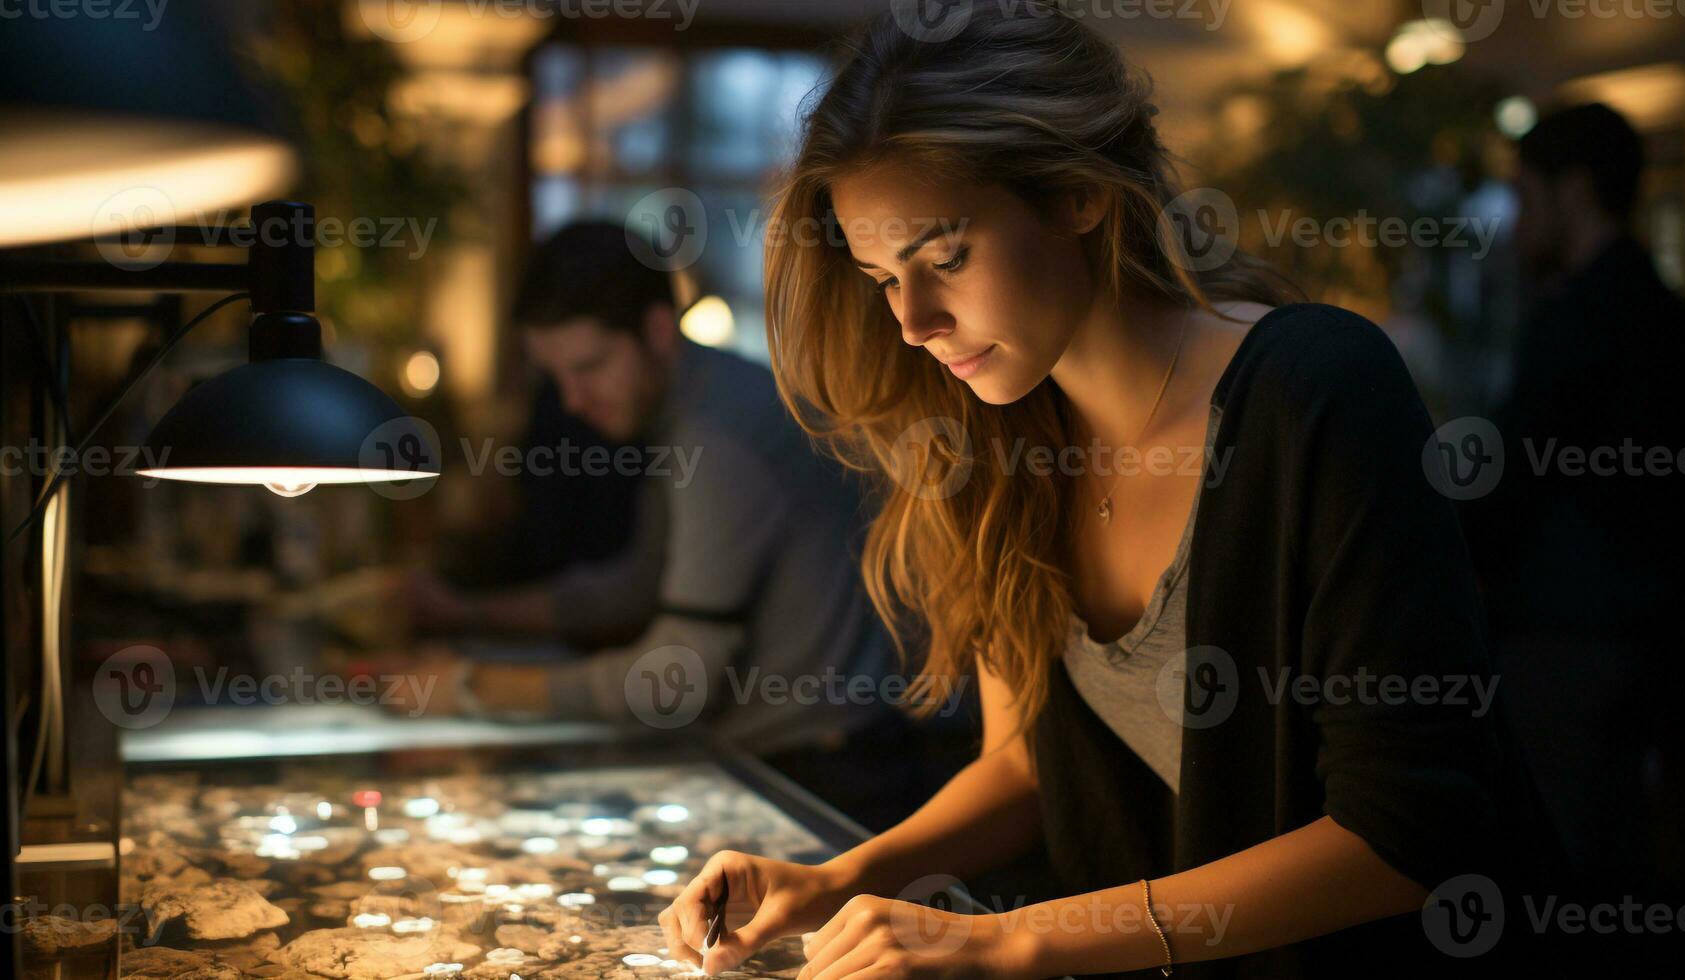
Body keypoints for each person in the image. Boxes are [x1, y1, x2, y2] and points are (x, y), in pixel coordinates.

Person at [658, 5, 1519, 979]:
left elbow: (1405, 830)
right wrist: (843, 875)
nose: (912, 320)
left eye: (943, 258)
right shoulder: (995, 447)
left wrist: (999, 938)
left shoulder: (1316, 388)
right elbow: (1025, 764)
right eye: (879, 277)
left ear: (1077, 194)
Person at [399, 222, 968, 829]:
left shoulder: (719, 440)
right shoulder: (697, 401)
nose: (572, 399)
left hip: (823, 779)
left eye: (588, 366)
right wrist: (461, 616)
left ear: (656, 331)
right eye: (556, 376)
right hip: (807, 758)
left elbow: (677, 679)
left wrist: (470, 684)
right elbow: (637, 588)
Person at [1463, 104, 1685, 904]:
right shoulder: (1676, 320)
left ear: (1572, 193)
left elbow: (1503, 486)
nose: (1516, 220)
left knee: (1558, 873)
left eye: (1525, 194)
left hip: (1557, 650)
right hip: (1653, 636)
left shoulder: (1572, 323)